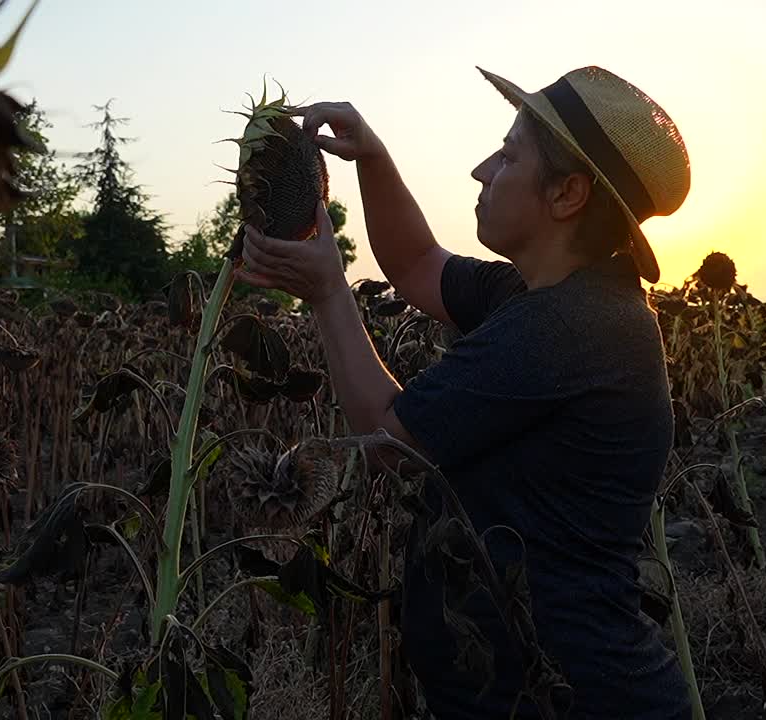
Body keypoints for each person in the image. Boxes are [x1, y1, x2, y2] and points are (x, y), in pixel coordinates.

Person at [235, 66, 694, 719]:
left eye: (508, 155)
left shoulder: (572, 327)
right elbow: (417, 264)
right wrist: (373, 157)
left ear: (566, 194)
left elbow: (388, 442)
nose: (482, 171)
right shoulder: (546, 298)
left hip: (576, 701)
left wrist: (330, 293)